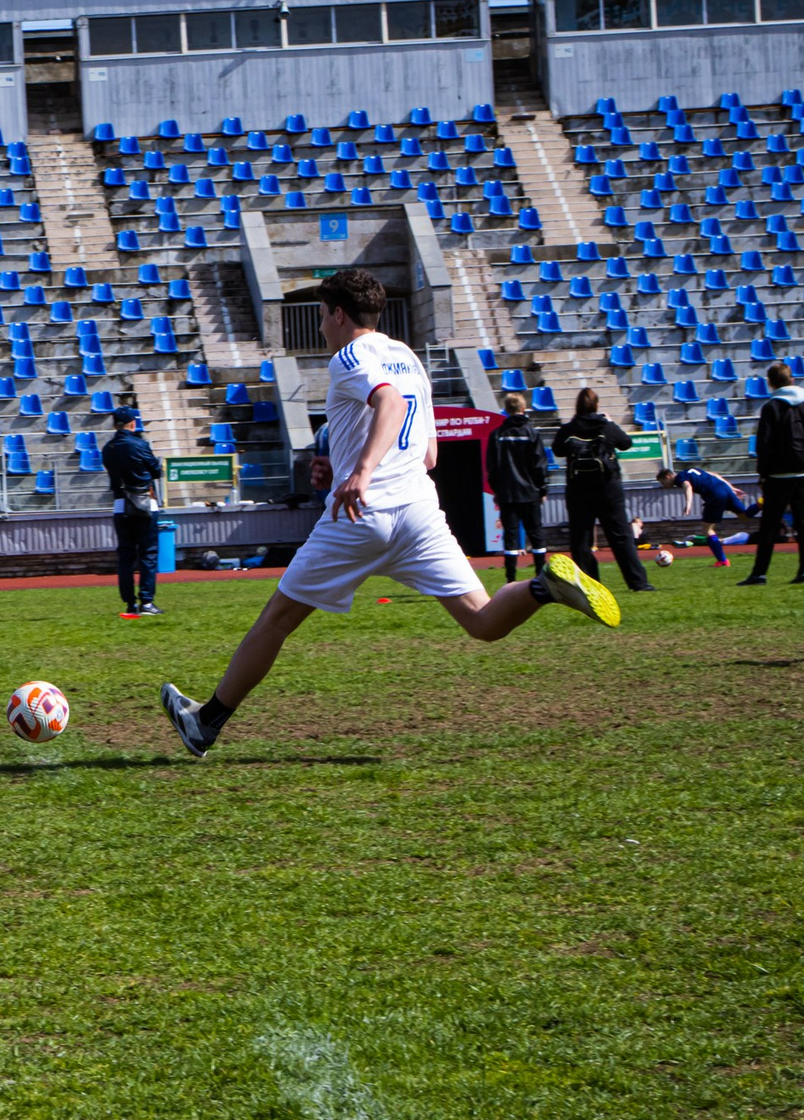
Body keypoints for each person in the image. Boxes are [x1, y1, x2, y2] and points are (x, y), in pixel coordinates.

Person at [159, 269, 619, 758]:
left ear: (338, 313)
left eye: (321, 315)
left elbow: (389, 404)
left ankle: (206, 722)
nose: (320, 328)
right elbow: (427, 457)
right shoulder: (408, 357)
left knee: (276, 620)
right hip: (419, 509)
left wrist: (359, 471)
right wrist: (341, 463)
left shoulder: (351, 354)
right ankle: (542, 587)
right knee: (482, 621)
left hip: (364, 513)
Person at [552, 389, 656, 593]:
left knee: (581, 539)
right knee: (620, 536)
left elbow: (557, 450)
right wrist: (609, 422)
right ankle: (638, 582)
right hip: (608, 487)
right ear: (596, 406)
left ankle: (588, 584)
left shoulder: (568, 429)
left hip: (578, 489)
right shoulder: (605, 426)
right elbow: (626, 443)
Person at [740, 363, 804, 587]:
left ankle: (760, 573)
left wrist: (763, 474)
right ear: (792, 380)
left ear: (771, 382)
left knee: (769, 525)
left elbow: (764, 443)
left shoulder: (771, 407)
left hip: (778, 475)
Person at [100, 408, 163, 614]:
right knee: (148, 554)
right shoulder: (139, 444)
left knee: (125, 556)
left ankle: (130, 603)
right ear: (133, 424)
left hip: (120, 504)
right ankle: (146, 601)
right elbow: (156, 471)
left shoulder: (108, 448)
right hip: (144, 502)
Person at [487, 393, 550, 584]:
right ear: (523, 409)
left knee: (511, 537)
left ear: (506, 410)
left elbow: (492, 467)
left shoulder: (497, 435)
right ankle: (541, 576)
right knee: (536, 534)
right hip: (530, 492)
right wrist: (543, 489)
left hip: (508, 494)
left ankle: (511, 580)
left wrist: (498, 491)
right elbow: (539, 465)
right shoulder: (531, 433)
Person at [657, 463, 758, 569]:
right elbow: (715, 475)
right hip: (724, 488)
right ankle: (762, 502)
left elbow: (687, 486)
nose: (663, 485)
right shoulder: (691, 469)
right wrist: (732, 488)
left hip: (714, 495)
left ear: (668, 477)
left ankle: (722, 561)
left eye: (663, 482)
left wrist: (688, 504)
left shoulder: (679, 478)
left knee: (707, 530)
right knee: (745, 516)